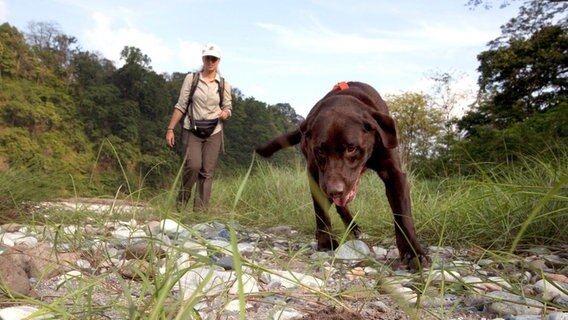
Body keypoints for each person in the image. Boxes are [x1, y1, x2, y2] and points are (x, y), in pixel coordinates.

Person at [166, 44, 232, 211]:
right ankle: (180, 207)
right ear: (203, 59)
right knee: (193, 166)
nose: (210, 61)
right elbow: (181, 105)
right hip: (192, 129)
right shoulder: (192, 79)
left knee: (206, 172)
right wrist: (170, 129)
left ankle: (199, 214)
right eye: (208, 58)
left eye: (214, 59)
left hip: (214, 131)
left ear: (218, 61)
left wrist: (225, 113)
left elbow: (228, 107)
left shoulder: (224, 84)